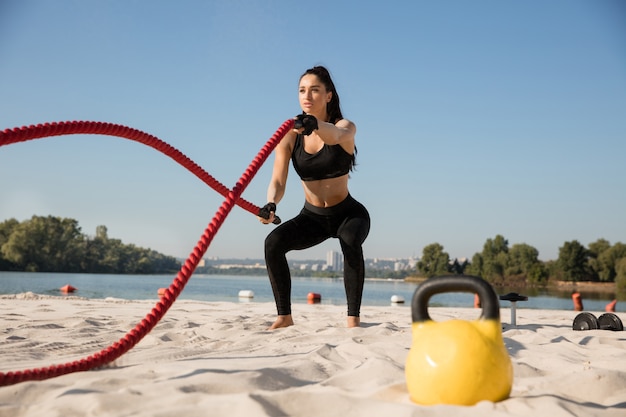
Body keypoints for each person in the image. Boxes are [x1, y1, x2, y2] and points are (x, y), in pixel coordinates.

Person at [257, 66, 370, 329]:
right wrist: (272, 203)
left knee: (350, 239)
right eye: (302, 90)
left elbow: (337, 135)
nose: (307, 95)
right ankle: (284, 317)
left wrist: (315, 125)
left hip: (348, 214)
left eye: (315, 90)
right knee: (273, 243)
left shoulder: (345, 126)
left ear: (328, 95)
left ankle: (353, 320)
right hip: (313, 217)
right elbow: (277, 180)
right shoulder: (289, 135)